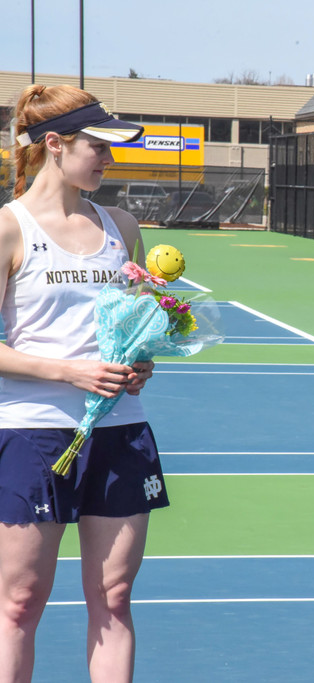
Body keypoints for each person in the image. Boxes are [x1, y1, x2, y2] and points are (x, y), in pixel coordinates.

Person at [0, 84, 169, 683]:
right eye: (97, 147)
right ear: (54, 144)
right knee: (20, 604)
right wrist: (66, 370)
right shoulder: (8, 228)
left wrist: (143, 359)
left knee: (115, 597)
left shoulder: (122, 225)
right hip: (32, 434)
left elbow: (139, 321)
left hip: (119, 432)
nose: (109, 159)